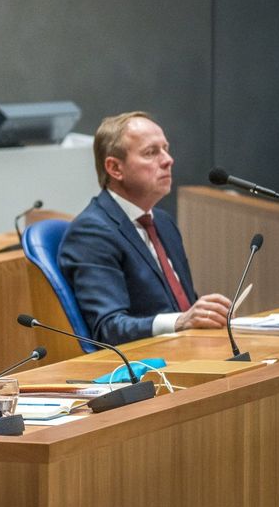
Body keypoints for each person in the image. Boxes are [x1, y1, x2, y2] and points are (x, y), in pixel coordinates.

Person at [58, 111, 231, 346]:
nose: (168, 160)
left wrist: (209, 316)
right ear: (115, 168)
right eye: (151, 153)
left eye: (165, 148)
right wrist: (181, 321)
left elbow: (184, 307)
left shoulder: (163, 222)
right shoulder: (91, 233)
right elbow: (109, 328)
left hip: (188, 349)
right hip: (147, 366)